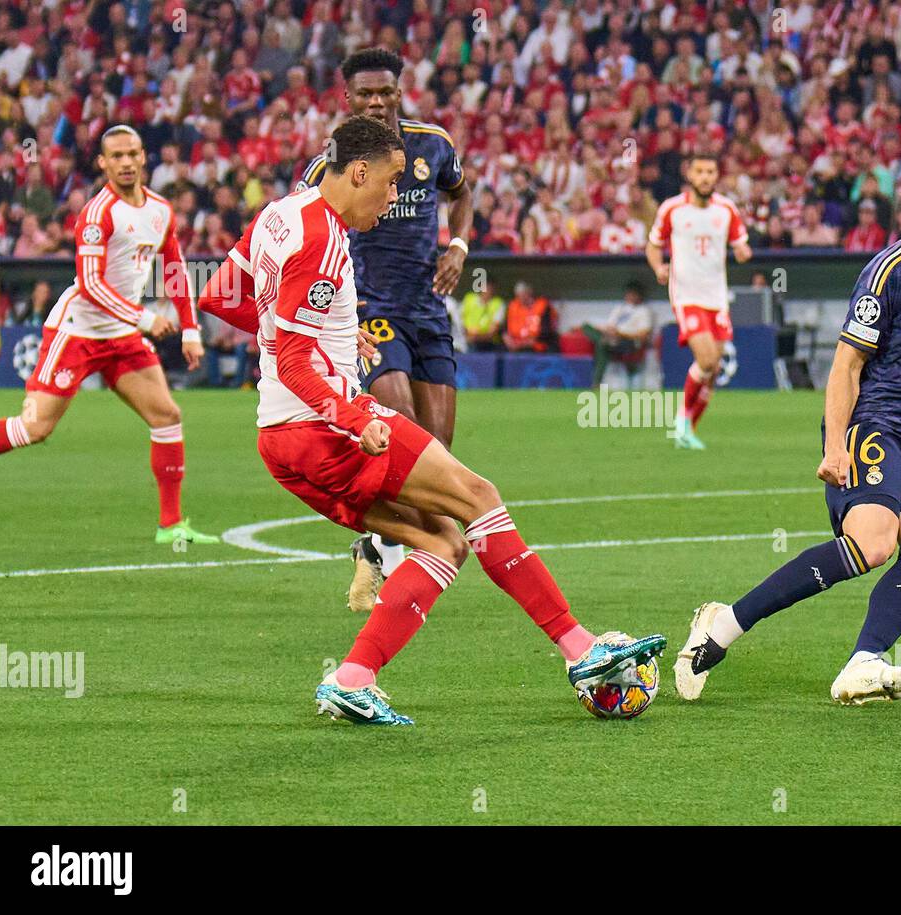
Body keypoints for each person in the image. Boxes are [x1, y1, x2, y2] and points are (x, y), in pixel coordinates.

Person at [200, 116, 664, 725]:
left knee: (443, 541)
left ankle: (353, 677)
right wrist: (350, 405)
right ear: (358, 171)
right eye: (391, 183)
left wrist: (336, 343)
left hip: (280, 442)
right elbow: (291, 358)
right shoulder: (323, 235)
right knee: (480, 497)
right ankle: (582, 651)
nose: (395, 198)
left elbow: (222, 296)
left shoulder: (280, 214)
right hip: (330, 429)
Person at [674, 157, 901, 706]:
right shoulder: (891, 271)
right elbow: (846, 366)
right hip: (873, 420)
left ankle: (864, 662)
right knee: (873, 544)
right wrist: (836, 445)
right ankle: (722, 626)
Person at [296, 48, 476, 613]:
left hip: (427, 311)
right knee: (405, 437)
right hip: (368, 316)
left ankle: (373, 544)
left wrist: (458, 245)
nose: (376, 102)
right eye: (364, 94)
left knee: (438, 452)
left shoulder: (433, 145)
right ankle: (400, 579)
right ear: (346, 99)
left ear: (400, 92)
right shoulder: (332, 162)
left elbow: (462, 193)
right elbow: (298, 229)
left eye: (385, 92)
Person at [0, 125, 216, 545]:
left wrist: (191, 330)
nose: (126, 163)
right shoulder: (97, 214)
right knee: (34, 429)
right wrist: (144, 319)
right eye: (117, 157)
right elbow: (90, 282)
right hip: (78, 332)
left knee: (167, 417)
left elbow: (176, 270)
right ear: (103, 163)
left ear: (144, 158)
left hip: (122, 335)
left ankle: (171, 525)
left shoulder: (160, 210)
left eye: (132, 154)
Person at [646, 152, 752, 450]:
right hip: (687, 294)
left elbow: (740, 243)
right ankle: (681, 420)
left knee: (714, 368)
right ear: (689, 175)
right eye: (700, 172)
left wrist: (743, 253)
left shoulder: (726, 209)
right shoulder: (672, 209)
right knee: (706, 359)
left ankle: (688, 431)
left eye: (710, 172)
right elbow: (653, 246)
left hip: (717, 296)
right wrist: (658, 268)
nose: (705, 177)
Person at [581, 280, 654, 385]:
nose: (630, 296)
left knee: (602, 345)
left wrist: (621, 334)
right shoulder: (619, 308)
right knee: (586, 327)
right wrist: (605, 330)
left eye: (633, 294)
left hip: (629, 341)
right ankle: (603, 340)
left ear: (639, 295)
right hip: (611, 337)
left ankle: (596, 382)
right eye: (628, 293)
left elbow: (644, 334)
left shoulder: (643, 311)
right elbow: (610, 325)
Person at [504, 281, 558, 352]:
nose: (521, 297)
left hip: (537, 347)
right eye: (518, 295)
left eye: (524, 293)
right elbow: (504, 329)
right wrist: (508, 340)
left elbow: (547, 331)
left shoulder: (542, 306)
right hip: (515, 346)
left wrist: (524, 343)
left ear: (530, 292)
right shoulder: (513, 306)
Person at [461, 274, 506, 351]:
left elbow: (493, 331)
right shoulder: (469, 298)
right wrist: (466, 336)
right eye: (485, 287)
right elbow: (459, 321)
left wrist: (475, 337)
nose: (487, 290)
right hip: (466, 341)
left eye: (490, 287)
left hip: (488, 343)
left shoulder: (498, 304)